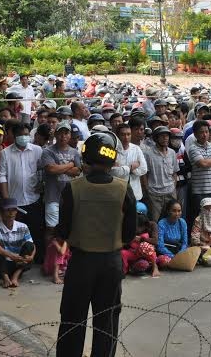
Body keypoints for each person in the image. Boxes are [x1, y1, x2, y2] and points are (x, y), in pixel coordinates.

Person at [56, 132, 137, 357]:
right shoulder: (123, 188)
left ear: (86, 157)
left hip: (81, 262)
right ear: (112, 159)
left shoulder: (73, 188)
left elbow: (63, 229)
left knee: (73, 318)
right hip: (111, 262)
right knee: (107, 321)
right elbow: (130, 232)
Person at [0, 123, 44, 263]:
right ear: (14, 136)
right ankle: (16, 261)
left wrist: (42, 184)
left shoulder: (37, 150)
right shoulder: (5, 153)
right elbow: (1, 176)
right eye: (20, 135)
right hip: (15, 202)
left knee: (36, 230)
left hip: (33, 199)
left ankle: (37, 259)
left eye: (26, 134)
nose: (23, 137)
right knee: (15, 234)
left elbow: (42, 170)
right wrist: (7, 201)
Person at [41, 122, 81, 244]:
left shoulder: (75, 152)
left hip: (70, 197)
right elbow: (51, 169)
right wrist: (70, 164)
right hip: (52, 196)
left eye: (66, 133)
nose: (63, 136)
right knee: (51, 229)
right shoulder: (47, 151)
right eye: (60, 133)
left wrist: (60, 168)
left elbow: (77, 171)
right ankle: (49, 257)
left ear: (70, 135)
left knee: (70, 228)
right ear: (55, 134)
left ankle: (64, 258)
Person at [0, 198, 36, 288]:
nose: (11, 213)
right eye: (8, 210)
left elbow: (32, 244)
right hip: (2, 263)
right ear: (1, 212)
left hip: (18, 262)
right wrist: (10, 255)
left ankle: (15, 276)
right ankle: (5, 277)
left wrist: (31, 257)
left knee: (29, 246)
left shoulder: (23, 226)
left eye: (13, 210)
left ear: (16, 212)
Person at [187, 120, 211, 229]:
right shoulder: (193, 148)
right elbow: (202, 163)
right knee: (201, 220)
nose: (205, 135)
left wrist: (209, 161)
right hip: (200, 191)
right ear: (195, 134)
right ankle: (202, 242)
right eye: (201, 132)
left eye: (207, 132)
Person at [142, 126, 178, 222]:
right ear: (156, 138)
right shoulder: (148, 154)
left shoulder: (172, 153)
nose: (165, 138)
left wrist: (173, 186)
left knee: (172, 219)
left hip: (170, 192)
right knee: (155, 221)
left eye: (167, 136)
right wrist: (148, 189)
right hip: (154, 194)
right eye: (162, 136)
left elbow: (174, 172)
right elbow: (144, 174)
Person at [111, 123, 147, 202]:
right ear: (117, 136)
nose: (126, 137)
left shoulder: (136, 149)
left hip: (135, 193)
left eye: (128, 134)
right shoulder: (113, 150)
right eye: (123, 134)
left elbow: (144, 169)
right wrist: (131, 167)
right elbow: (114, 172)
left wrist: (123, 169)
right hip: (118, 194)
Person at [156, 199, 189, 268]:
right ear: (168, 211)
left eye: (179, 211)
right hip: (165, 252)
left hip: (178, 251)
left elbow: (185, 243)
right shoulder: (162, 223)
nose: (177, 214)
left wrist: (180, 254)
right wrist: (173, 256)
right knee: (164, 261)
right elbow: (160, 246)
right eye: (174, 211)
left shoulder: (182, 222)